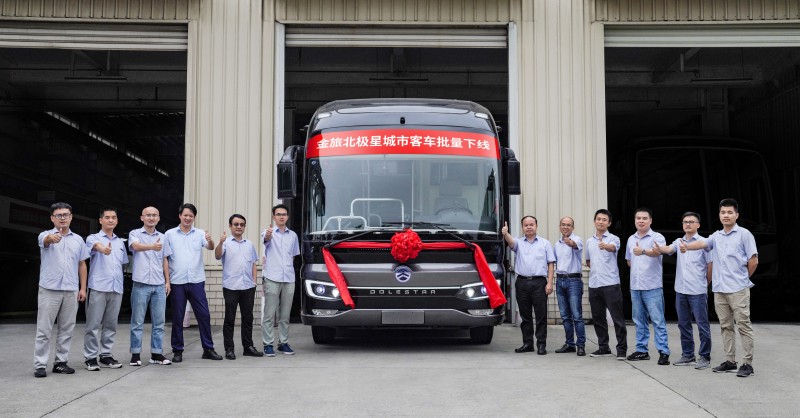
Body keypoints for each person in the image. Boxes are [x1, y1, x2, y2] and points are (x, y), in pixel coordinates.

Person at [682, 198, 758, 378]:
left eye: (730, 212)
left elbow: (753, 260)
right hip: (720, 290)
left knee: (743, 326)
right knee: (725, 326)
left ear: (736, 215)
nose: (726, 215)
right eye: (723, 212)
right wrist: (687, 246)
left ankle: (747, 364)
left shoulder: (744, 234)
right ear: (719, 215)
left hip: (738, 289)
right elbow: (703, 243)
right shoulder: (716, 236)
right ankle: (730, 361)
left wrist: (743, 278)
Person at [33, 202, 90, 378]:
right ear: (52, 218)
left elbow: (82, 264)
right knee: (44, 329)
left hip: (71, 290)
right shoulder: (45, 235)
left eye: (66, 215)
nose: (63, 218)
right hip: (49, 290)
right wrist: (52, 238)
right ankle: (40, 365)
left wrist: (82, 288)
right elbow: (46, 241)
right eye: (59, 215)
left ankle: (60, 363)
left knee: (67, 329)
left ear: (71, 217)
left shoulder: (78, 240)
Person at [163, 203, 222, 362]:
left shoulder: (200, 233)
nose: (188, 218)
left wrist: (210, 240)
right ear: (180, 216)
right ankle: (177, 351)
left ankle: (208, 349)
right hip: (177, 282)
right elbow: (165, 258)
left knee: (204, 315)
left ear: (194, 217)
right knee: (178, 317)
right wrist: (167, 281)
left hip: (196, 281)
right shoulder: (169, 234)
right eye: (185, 215)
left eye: (191, 216)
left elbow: (210, 247)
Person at [654, 212, 712, 370]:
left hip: (698, 291)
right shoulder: (679, 241)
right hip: (681, 290)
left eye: (692, 222)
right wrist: (659, 248)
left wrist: (705, 283)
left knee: (702, 324)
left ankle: (705, 356)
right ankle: (688, 355)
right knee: (683, 324)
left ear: (698, 225)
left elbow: (710, 266)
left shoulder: (704, 243)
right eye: (685, 222)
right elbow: (668, 249)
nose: (688, 224)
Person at [83, 208, 129, 371]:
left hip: (116, 287)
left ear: (117, 221)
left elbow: (123, 264)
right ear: (100, 220)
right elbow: (96, 247)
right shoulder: (93, 238)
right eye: (107, 217)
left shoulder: (120, 242)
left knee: (111, 324)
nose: (111, 220)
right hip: (98, 287)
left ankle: (106, 355)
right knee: (93, 324)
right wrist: (102, 249)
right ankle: (90, 357)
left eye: (114, 217)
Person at [502, 216, 555, 355]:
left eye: (531, 224)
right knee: (525, 316)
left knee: (541, 316)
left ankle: (541, 344)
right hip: (522, 282)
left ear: (536, 226)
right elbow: (511, 242)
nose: (529, 227)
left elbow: (551, 263)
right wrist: (506, 233)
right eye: (526, 225)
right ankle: (527, 343)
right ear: (522, 227)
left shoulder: (545, 243)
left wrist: (550, 282)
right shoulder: (519, 243)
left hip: (539, 282)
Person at [624, 208, 670, 365]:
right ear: (635, 220)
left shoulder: (657, 237)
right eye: (638, 218)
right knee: (639, 320)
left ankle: (663, 352)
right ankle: (641, 350)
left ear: (650, 220)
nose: (641, 221)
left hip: (652, 287)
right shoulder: (631, 239)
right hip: (635, 287)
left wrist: (643, 251)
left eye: (644, 218)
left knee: (658, 320)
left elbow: (658, 252)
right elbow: (629, 261)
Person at [128, 206, 172, 366]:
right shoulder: (135, 234)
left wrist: (167, 281)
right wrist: (152, 247)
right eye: (148, 215)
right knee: (137, 322)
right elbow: (135, 247)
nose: (151, 218)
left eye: (154, 215)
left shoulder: (163, 237)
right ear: (142, 218)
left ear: (158, 218)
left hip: (159, 285)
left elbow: (165, 259)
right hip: (140, 284)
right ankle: (135, 354)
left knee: (159, 323)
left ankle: (156, 354)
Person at [215, 214, 263, 360]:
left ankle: (248, 347)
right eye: (236, 224)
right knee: (229, 319)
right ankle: (229, 349)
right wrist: (220, 243)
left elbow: (253, 263)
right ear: (230, 226)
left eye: (242, 224)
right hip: (231, 286)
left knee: (248, 319)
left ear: (244, 227)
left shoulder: (249, 244)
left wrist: (254, 282)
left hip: (248, 286)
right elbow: (217, 256)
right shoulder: (226, 243)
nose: (239, 227)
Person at [585, 209, 628, 360]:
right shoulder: (589, 241)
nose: (601, 222)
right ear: (594, 221)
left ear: (609, 223)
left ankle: (621, 349)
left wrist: (605, 246)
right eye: (598, 219)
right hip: (594, 284)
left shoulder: (614, 239)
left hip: (610, 284)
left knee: (617, 318)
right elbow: (588, 261)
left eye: (604, 220)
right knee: (598, 318)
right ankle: (603, 348)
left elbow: (613, 248)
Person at [261, 204, 300, 356]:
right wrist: (268, 235)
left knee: (285, 314)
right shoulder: (268, 232)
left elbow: (293, 255)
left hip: (289, 278)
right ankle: (268, 344)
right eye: (278, 214)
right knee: (269, 313)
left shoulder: (293, 236)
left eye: (284, 214)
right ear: (273, 217)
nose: (281, 216)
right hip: (272, 277)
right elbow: (266, 240)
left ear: (287, 217)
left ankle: (283, 343)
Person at [553, 216, 586, 356]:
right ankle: (570, 344)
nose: (565, 227)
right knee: (565, 316)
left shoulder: (577, 239)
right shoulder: (557, 244)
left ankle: (581, 345)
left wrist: (570, 242)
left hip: (573, 280)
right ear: (560, 226)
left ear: (573, 227)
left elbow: (575, 245)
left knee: (577, 315)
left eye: (568, 225)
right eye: (563, 224)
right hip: (560, 280)